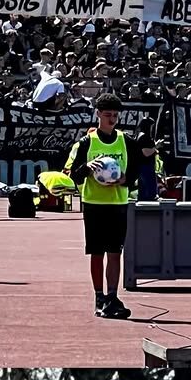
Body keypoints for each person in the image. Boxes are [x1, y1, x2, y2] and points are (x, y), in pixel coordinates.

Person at [66, 92, 139, 319]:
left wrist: (124, 179)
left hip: (117, 203)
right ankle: (99, 297)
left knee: (115, 252)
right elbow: (74, 176)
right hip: (94, 204)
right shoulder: (87, 142)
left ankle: (112, 295)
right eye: (108, 115)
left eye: (116, 116)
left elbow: (136, 171)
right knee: (97, 253)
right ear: (98, 114)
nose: (112, 119)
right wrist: (88, 167)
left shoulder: (126, 141)